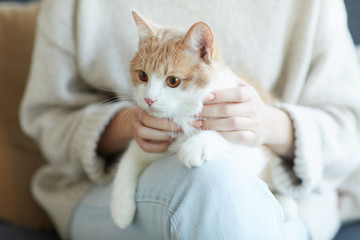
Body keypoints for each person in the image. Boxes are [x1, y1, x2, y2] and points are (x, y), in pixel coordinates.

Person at [20, 0, 360, 239]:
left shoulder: (314, 6)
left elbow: (350, 130)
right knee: (211, 181)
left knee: (217, 179)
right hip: (104, 192)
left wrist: (272, 126)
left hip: (283, 191)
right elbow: (46, 118)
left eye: (170, 81)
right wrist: (122, 126)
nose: (151, 95)